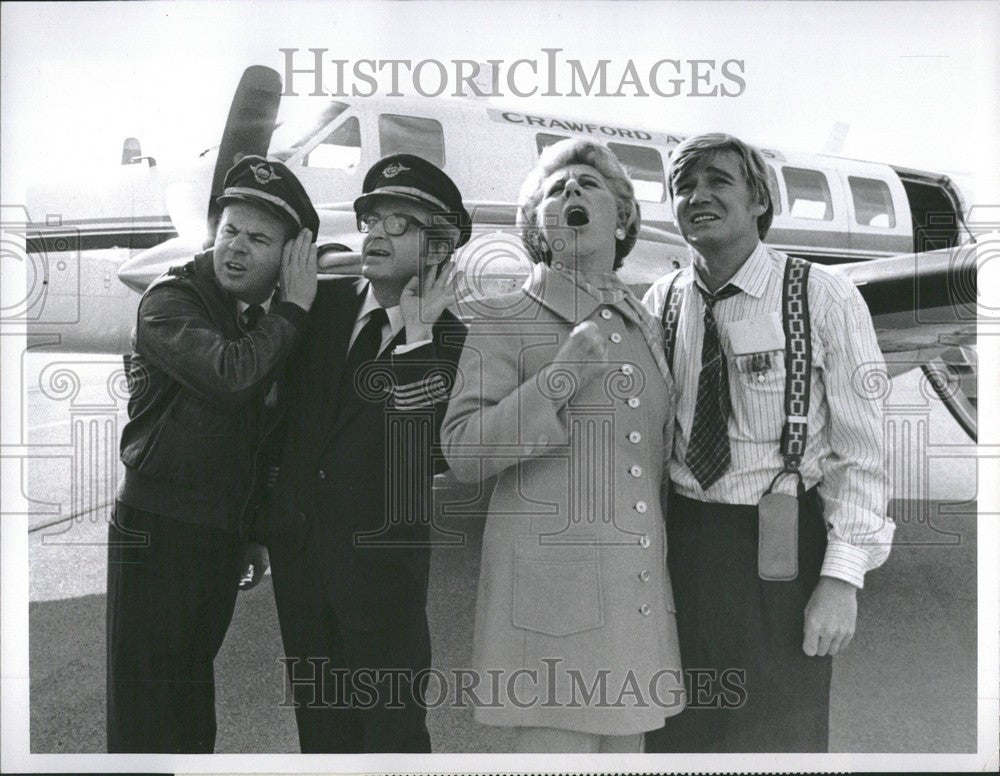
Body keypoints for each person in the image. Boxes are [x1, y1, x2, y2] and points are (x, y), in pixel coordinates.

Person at [641, 133, 893, 752]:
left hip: (780, 553)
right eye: (684, 187)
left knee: (779, 742)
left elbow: (862, 454)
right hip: (681, 551)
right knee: (679, 738)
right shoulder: (661, 301)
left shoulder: (824, 296)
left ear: (760, 199)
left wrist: (841, 580)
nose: (697, 197)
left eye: (717, 182)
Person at [441, 138, 685, 753]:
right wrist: (559, 375)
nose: (572, 192)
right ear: (538, 227)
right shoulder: (504, 318)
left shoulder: (646, 326)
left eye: (590, 185)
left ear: (624, 219)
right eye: (555, 190)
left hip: (633, 607)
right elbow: (464, 452)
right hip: (551, 614)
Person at [106, 155, 319, 752]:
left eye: (258, 238)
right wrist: (295, 309)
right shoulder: (170, 300)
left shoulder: (257, 318)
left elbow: (258, 440)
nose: (237, 248)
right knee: (146, 705)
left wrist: (247, 532)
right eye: (229, 230)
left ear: (285, 256)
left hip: (216, 533)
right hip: (157, 528)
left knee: (191, 696)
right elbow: (232, 377)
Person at [264, 154, 469, 753]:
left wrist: (419, 337)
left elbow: (420, 449)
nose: (375, 233)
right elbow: (276, 425)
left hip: (381, 577)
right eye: (371, 220)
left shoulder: (451, 341)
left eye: (398, 223)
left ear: (437, 248)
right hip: (301, 564)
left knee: (393, 736)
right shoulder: (317, 307)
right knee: (321, 735)